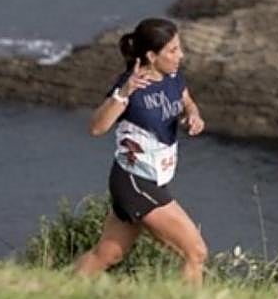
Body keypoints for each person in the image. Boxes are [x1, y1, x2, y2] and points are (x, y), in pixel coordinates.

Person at [74, 17, 208, 285]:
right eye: (172, 50)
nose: (180, 55)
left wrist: (193, 116)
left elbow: (187, 101)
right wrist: (123, 93)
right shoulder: (131, 86)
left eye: (178, 48)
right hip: (134, 181)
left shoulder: (173, 77)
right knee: (195, 252)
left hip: (151, 180)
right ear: (151, 55)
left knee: (107, 255)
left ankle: (56, 290)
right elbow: (96, 128)